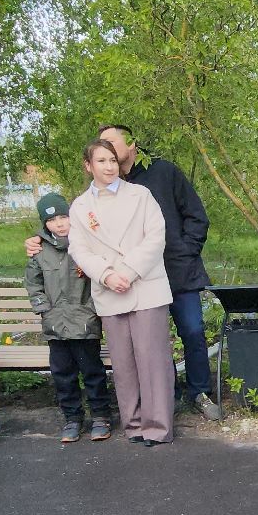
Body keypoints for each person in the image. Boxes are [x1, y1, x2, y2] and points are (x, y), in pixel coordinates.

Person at [27, 126, 216, 418]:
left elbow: (196, 216)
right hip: (125, 283)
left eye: (112, 145)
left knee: (191, 331)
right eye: (102, 153)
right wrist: (40, 240)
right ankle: (167, 398)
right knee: (148, 346)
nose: (108, 156)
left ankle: (199, 392)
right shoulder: (100, 190)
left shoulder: (162, 172)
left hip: (177, 272)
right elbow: (73, 231)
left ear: (131, 145)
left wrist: (185, 252)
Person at [67, 140, 175, 445]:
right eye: (101, 161)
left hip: (145, 286)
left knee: (152, 360)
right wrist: (106, 275)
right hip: (109, 290)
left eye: (112, 160)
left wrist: (127, 272)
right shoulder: (80, 206)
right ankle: (134, 423)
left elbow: (156, 237)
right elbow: (78, 249)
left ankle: (158, 426)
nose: (109, 166)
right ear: (88, 166)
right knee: (124, 363)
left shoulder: (141, 195)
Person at [25, 192, 117, 443]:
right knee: (62, 374)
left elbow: (98, 279)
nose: (59, 224)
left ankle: (100, 416)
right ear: (45, 224)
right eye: (52, 220)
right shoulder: (39, 251)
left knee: (92, 371)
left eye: (63, 217)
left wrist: (92, 310)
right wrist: (43, 308)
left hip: (84, 322)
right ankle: (72, 418)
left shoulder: (86, 243)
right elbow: (33, 283)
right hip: (55, 324)